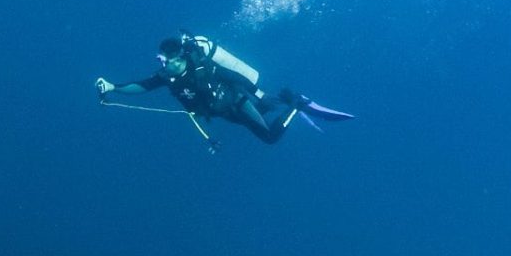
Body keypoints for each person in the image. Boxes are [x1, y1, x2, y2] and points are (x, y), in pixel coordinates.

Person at [95, 33, 350, 150]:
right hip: (225, 112)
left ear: (178, 56)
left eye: (165, 59)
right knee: (268, 108)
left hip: (237, 103)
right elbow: (142, 86)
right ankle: (283, 97)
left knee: (269, 137)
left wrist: (257, 92)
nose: (162, 64)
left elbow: (234, 76)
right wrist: (113, 88)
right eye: (161, 60)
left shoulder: (202, 68)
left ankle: (296, 103)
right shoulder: (167, 77)